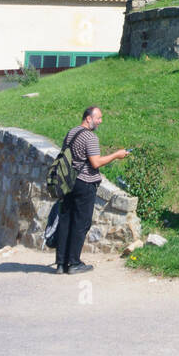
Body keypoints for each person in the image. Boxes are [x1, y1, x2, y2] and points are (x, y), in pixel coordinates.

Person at [54, 106, 129, 275]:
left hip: (67, 182)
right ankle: (74, 263)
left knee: (66, 221)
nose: (100, 121)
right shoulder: (90, 137)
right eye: (98, 118)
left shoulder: (71, 133)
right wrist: (116, 155)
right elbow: (95, 163)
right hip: (84, 183)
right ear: (88, 118)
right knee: (81, 223)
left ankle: (60, 264)